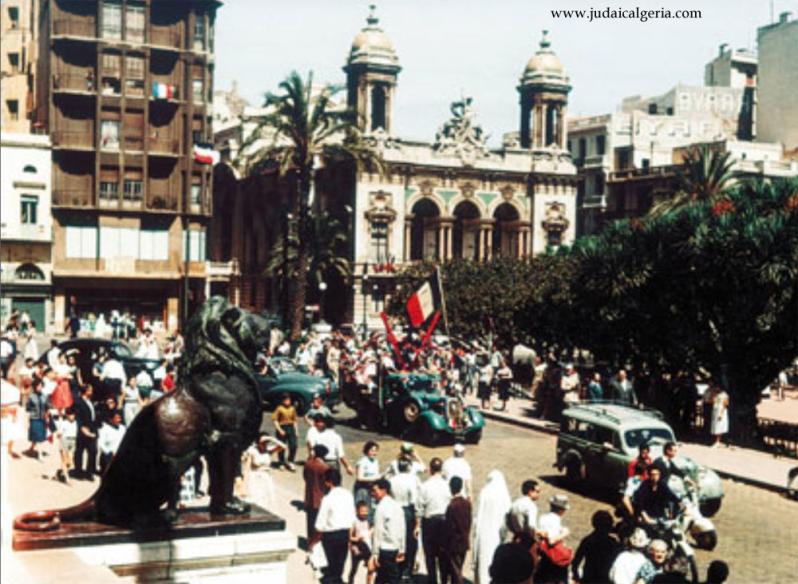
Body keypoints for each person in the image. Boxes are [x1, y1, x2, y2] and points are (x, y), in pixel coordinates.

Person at [310, 468, 356, 584]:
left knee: (328, 570)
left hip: (331, 537)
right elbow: (352, 518)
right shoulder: (348, 495)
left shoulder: (327, 499)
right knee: (339, 567)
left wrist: (313, 542)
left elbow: (320, 525)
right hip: (344, 535)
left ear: (328, 482)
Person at [472, 470, 512, 584]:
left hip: (483, 533)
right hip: (496, 534)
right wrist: (503, 535)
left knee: (482, 563)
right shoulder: (504, 495)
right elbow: (507, 518)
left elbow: (477, 514)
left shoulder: (484, 491)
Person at [417, 457, 451, 584]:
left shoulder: (424, 486)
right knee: (443, 554)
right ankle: (443, 580)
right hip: (444, 522)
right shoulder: (447, 485)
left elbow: (419, 507)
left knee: (430, 556)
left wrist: (417, 525)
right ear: (441, 470)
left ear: (430, 470)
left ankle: (432, 580)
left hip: (429, 522)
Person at [389, 459, 420, 581]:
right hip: (407, 511)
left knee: (396, 539)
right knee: (410, 543)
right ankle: (407, 571)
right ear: (408, 467)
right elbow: (414, 501)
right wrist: (418, 521)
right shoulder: (411, 480)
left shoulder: (392, 480)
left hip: (394, 509)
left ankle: (396, 569)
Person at [370, 478, 406, 584]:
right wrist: (402, 548)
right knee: (385, 578)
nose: (373, 494)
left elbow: (378, 532)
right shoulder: (397, 506)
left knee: (389, 579)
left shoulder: (380, 508)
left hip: (385, 549)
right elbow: (402, 529)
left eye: (375, 490)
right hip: (395, 548)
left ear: (384, 490)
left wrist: (375, 553)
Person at [572, 510, 620, 584]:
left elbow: (575, 562)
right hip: (605, 579)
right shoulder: (612, 543)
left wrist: (576, 577)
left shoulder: (587, 540)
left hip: (588, 578)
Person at [242, 432, 286, 508]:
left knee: (268, 502)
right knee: (257, 502)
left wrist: (271, 439)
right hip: (255, 478)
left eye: (266, 442)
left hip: (266, 478)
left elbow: (284, 446)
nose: (265, 444)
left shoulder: (268, 450)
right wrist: (244, 486)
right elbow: (246, 469)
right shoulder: (252, 450)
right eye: (263, 442)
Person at [536, 494, 572, 584]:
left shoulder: (543, 518)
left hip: (544, 555)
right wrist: (565, 533)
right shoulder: (555, 520)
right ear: (562, 510)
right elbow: (551, 540)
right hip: (554, 557)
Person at [443, 476, 472, 584]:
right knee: (458, 568)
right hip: (464, 541)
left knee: (456, 572)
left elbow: (449, 527)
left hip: (454, 543)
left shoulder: (452, 506)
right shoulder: (467, 504)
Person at [304, 444, 331, 540]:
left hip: (309, 497)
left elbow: (305, 477)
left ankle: (309, 541)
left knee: (310, 522)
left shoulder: (308, 464)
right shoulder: (325, 468)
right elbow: (328, 484)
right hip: (321, 498)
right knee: (320, 523)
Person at [506, 479, 540, 550]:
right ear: (530, 492)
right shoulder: (531, 506)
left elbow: (508, 520)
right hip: (527, 541)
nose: (538, 494)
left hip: (516, 538)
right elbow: (531, 526)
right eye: (537, 492)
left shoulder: (515, 503)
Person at [74, 384, 98, 480]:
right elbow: (78, 417)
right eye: (90, 390)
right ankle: (78, 471)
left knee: (93, 451)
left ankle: (89, 472)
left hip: (91, 428)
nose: (92, 392)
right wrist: (82, 428)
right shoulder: (78, 402)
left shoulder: (90, 402)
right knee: (79, 451)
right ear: (86, 391)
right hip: (82, 429)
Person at [349, 501, 374, 584]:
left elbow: (369, 533)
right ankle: (351, 581)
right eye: (362, 511)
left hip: (366, 546)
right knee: (354, 568)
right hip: (357, 547)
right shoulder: (354, 522)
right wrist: (356, 540)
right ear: (357, 511)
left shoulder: (367, 521)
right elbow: (349, 537)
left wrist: (371, 531)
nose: (365, 513)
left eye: (366, 511)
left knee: (371, 566)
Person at [355, 441, 381, 519]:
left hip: (372, 489)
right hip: (362, 489)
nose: (374, 453)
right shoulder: (362, 462)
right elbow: (359, 477)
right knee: (362, 510)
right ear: (367, 451)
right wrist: (373, 479)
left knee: (371, 510)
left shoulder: (376, 462)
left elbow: (377, 474)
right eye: (372, 450)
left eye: (376, 450)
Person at [24, 378, 49, 459]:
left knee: (39, 436)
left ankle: (30, 449)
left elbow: (47, 407)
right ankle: (40, 454)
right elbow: (27, 409)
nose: (39, 387)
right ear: (34, 387)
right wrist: (27, 421)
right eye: (38, 386)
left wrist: (47, 416)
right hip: (34, 418)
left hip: (42, 419)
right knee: (38, 436)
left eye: (41, 386)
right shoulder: (31, 396)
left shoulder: (44, 396)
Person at [272, 393, 298, 471]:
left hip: (290, 427)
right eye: (286, 400)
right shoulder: (279, 408)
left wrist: (296, 431)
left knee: (293, 445)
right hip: (282, 427)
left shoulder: (292, 408)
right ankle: (281, 462)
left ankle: (290, 461)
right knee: (281, 446)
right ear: (283, 401)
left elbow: (295, 421)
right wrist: (279, 429)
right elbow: (275, 420)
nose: (287, 401)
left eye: (289, 400)